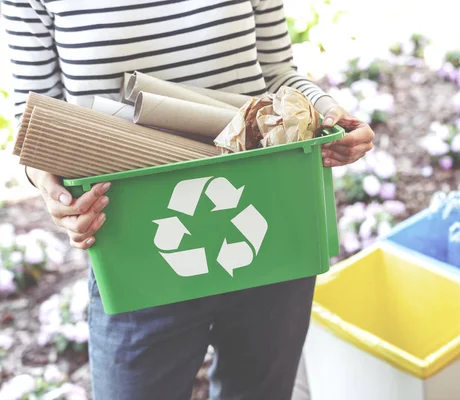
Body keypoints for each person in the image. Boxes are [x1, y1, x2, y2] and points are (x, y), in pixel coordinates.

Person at [4, 1, 374, 398]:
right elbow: (36, 117)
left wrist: (327, 112)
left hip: (267, 224)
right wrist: (50, 188)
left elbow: (277, 72)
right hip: (134, 246)